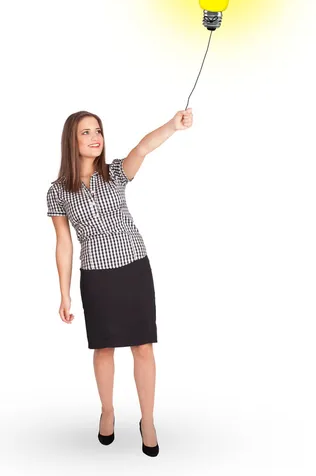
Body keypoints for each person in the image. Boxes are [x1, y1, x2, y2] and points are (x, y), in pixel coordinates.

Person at [46, 108, 193, 455]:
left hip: (134, 268)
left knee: (143, 346)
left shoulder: (114, 173)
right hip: (96, 275)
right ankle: (108, 411)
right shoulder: (57, 191)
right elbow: (64, 244)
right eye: (86, 132)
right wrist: (63, 294)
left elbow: (142, 148)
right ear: (71, 140)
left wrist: (173, 125)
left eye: (98, 130)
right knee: (104, 348)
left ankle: (148, 419)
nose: (96, 136)